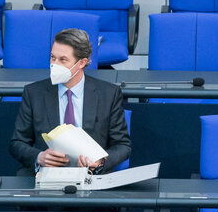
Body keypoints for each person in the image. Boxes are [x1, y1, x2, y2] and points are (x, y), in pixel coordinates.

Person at [9, 28, 131, 175]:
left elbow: (122, 145)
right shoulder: (34, 93)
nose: (55, 65)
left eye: (63, 60)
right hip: (47, 175)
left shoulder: (108, 94)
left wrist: (100, 162)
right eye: (53, 58)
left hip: (91, 177)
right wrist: (39, 157)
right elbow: (17, 143)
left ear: (81, 63)